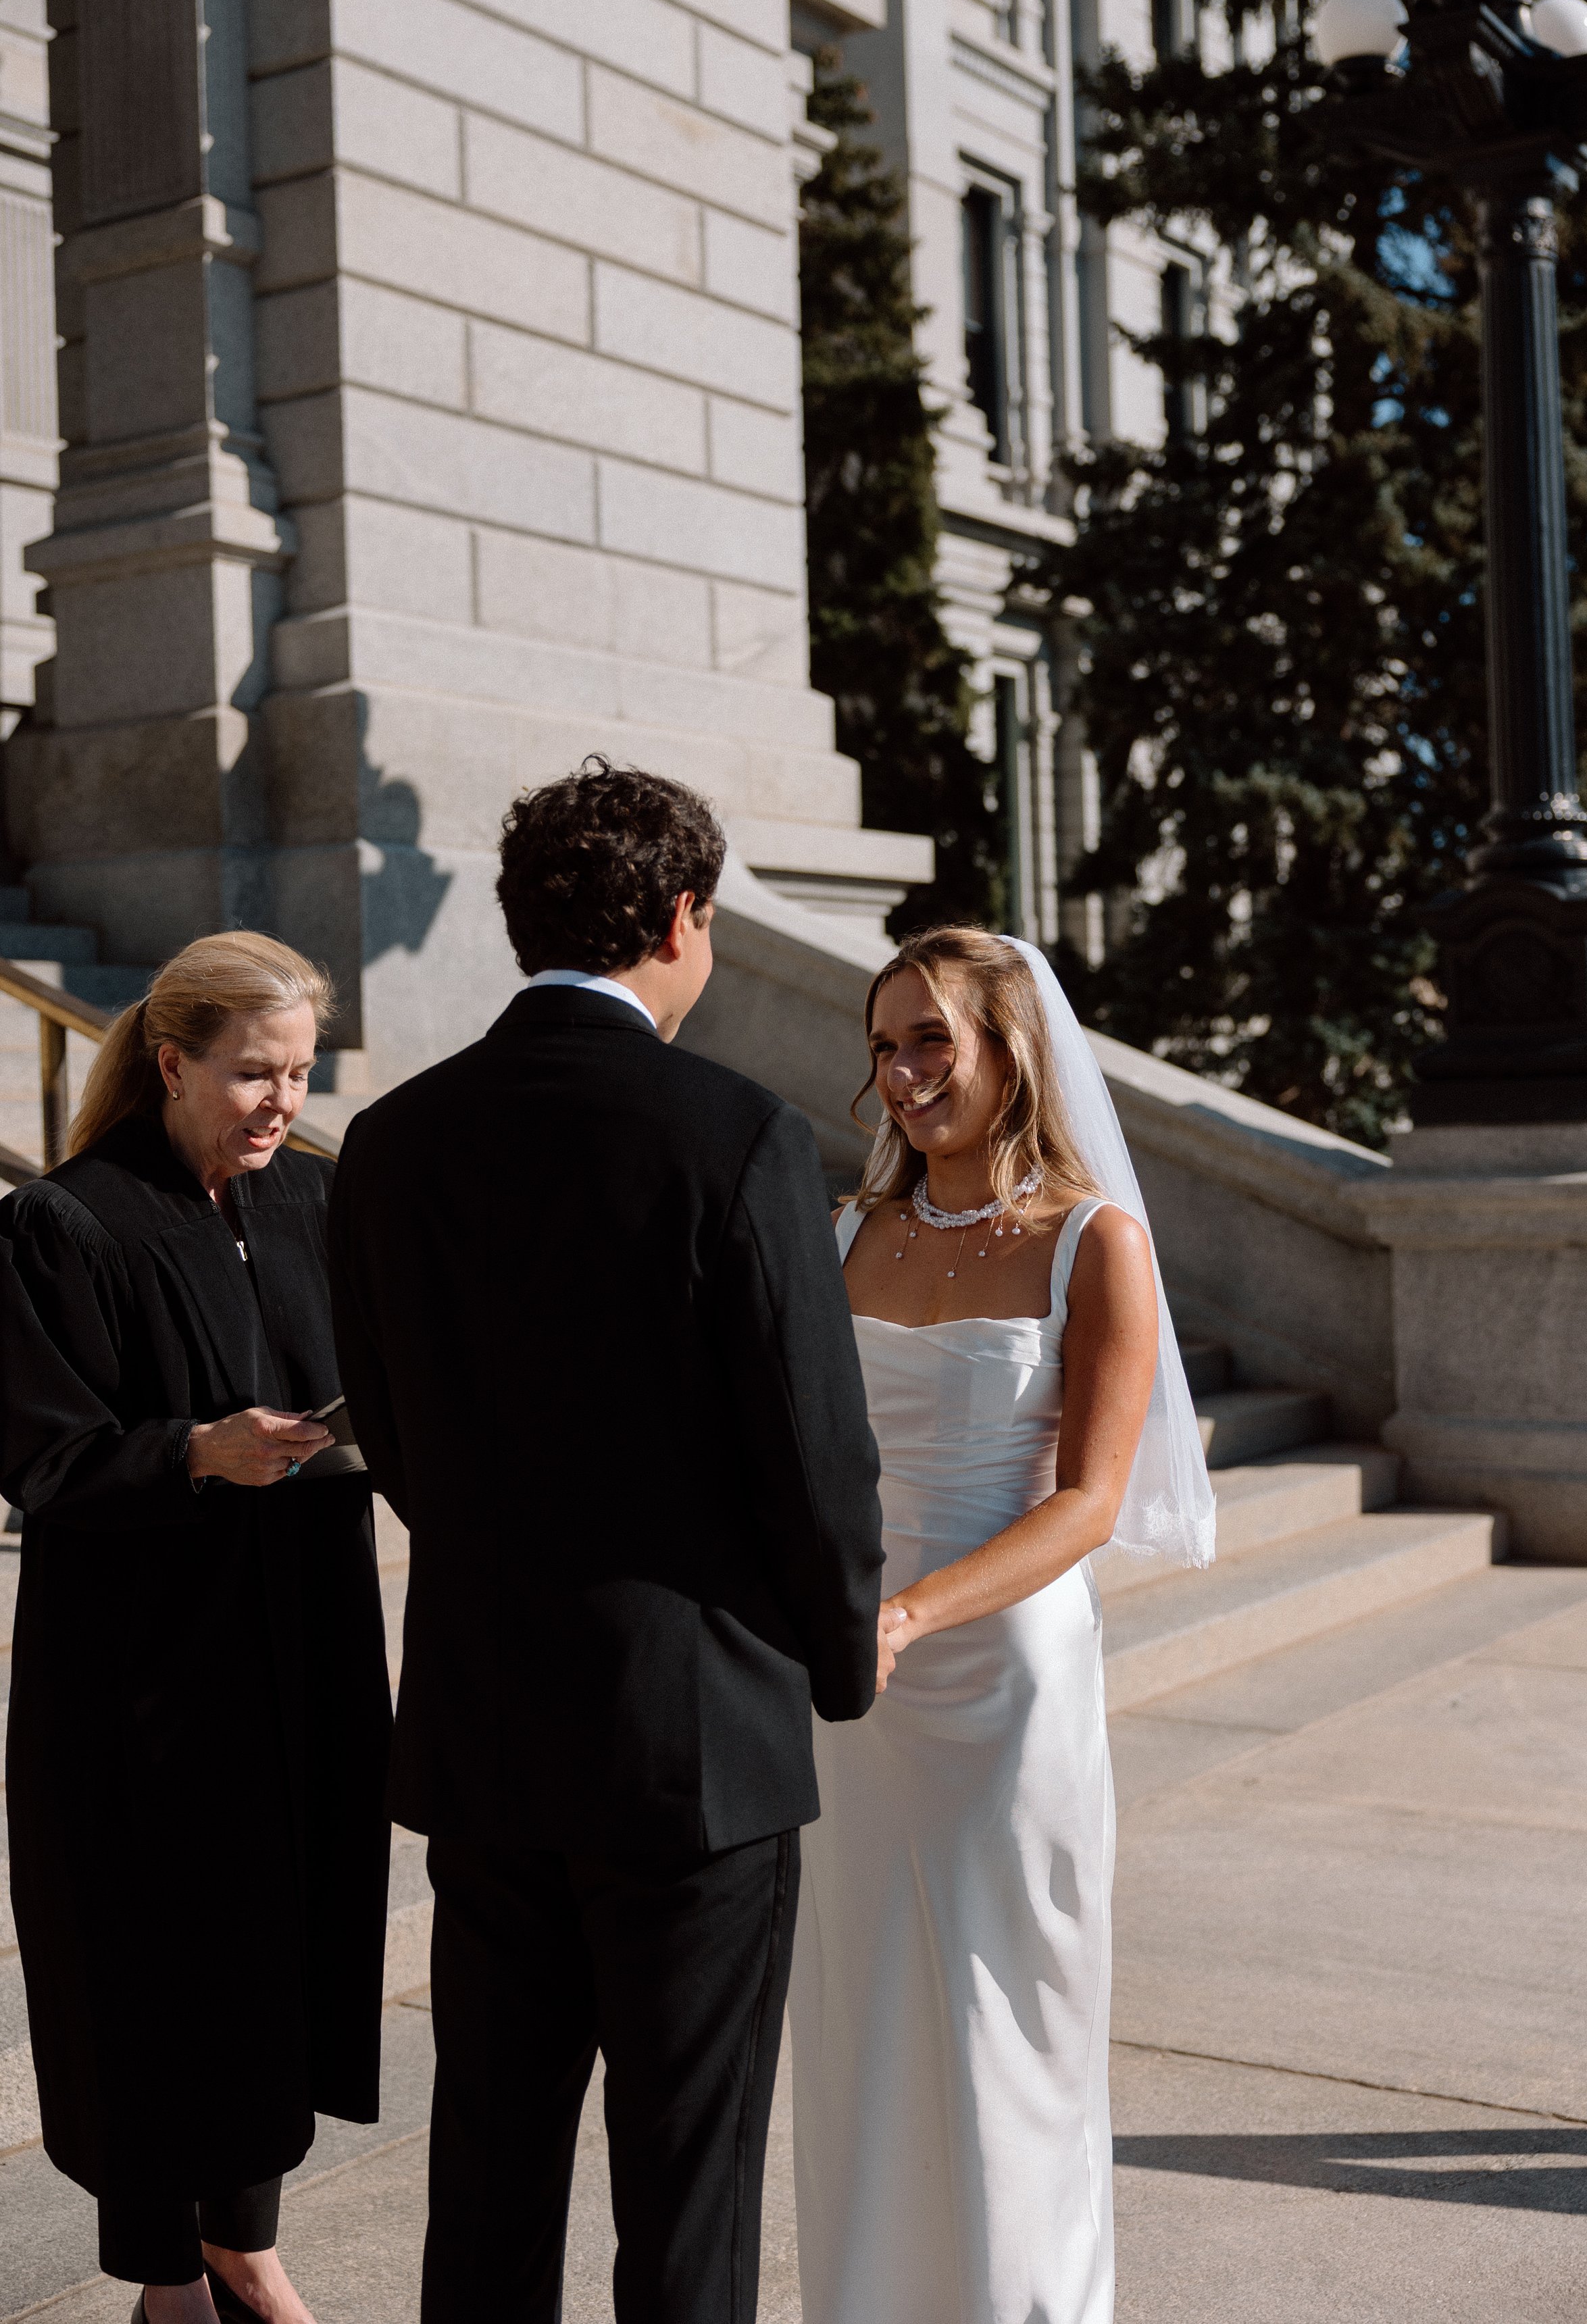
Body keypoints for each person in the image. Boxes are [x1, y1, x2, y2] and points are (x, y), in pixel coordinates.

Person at [326, 757, 884, 2324]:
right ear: (682, 919)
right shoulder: (739, 1138)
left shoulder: (392, 1140)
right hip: (693, 1743)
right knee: (684, 2193)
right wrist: (834, 1665)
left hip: (484, 1722)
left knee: (489, 2176)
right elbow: (817, 1460)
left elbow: (394, 1430)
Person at [788, 927, 1216, 2324]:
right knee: (858, 2027)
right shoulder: (843, 1232)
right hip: (850, 1688)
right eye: (882, 1046)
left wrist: (907, 1612)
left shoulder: (1094, 1242)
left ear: (1009, 1053)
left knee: (1001, 2027)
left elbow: (1090, 1500)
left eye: (930, 1041)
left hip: (999, 1677)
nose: (902, 1074)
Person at [0, 933, 393, 2324]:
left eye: (297, 1072)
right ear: (172, 1061)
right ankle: (167, 2273)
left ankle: (244, 2241)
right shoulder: (70, 1222)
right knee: (150, 1969)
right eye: (250, 1073)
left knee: (274, 1946)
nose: (279, 1101)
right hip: (140, 1676)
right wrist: (191, 1453)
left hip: (301, 1640)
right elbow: (45, 1460)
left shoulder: (315, 1204)